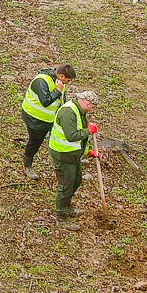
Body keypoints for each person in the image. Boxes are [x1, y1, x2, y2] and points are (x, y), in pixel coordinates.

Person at [49, 89, 99, 224]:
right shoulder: (68, 112)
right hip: (63, 154)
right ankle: (61, 216)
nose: (91, 110)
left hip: (73, 155)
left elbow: (80, 137)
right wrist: (88, 131)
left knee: (76, 181)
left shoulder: (80, 111)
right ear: (86, 102)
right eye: (92, 107)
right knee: (66, 185)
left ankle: (67, 206)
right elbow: (72, 136)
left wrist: (88, 151)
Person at [20, 64, 76, 175]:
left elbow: (61, 99)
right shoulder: (41, 81)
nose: (68, 83)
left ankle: (65, 162)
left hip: (51, 118)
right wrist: (58, 91)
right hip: (35, 118)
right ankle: (27, 164)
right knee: (35, 141)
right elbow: (45, 101)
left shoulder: (58, 82)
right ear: (61, 76)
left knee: (62, 136)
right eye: (68, 80)